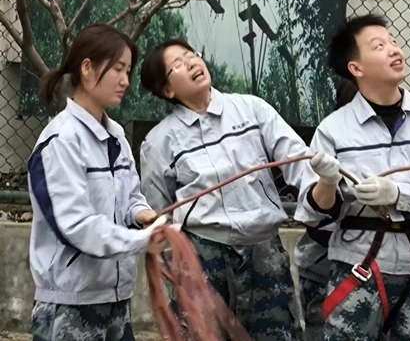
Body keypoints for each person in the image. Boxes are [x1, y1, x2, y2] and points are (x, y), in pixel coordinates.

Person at [139, 39, 331, 341]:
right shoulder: (159, 141)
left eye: (192, 55)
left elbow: (298, 161)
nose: (192, 63)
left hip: (264, 250)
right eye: (178, 64)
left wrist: (324, 184)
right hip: (203, 256)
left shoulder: (251, 109)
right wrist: (178, 268)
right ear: (167, 90)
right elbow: (159, 216)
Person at [295, 14, 410, 341]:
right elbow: (314, 215)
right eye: (379, 46)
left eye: (393, 42)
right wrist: (327, 182)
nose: (394, 50)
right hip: (357, 268)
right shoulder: (333, 130)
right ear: (356, 68)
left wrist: (398, 194)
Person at [28, 24, 167, 341]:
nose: (125, 80)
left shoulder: (116, 136)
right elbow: (76, 226)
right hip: (69, 304)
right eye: (118, 69)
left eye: (128, 71)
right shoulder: (60, 141)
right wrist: (142, 241)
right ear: (87, 69)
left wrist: (141, 214)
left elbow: (130, 196)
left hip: (116, 300)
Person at [295, 79, 359, 341]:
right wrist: (329, 183)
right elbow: (315, 220)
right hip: (323, 267)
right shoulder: (329, 138)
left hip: (382, 267)